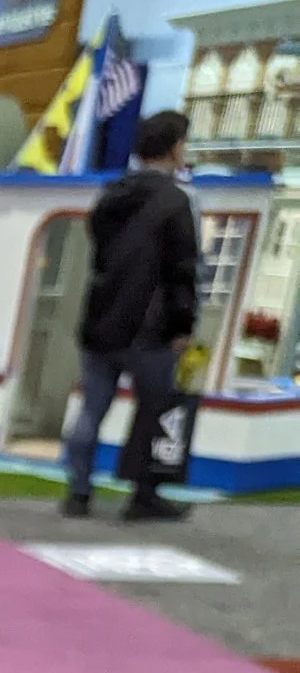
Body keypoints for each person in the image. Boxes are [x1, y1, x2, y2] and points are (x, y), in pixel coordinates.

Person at [62, 111, 200, 522]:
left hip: (102, 316)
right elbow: (182, 269)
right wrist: (183, 324)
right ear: (174, 148)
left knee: (92, 409)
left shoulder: (110, 195)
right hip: (151, 326)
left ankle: (78, 492)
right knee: (154, 411)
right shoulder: (176, 201)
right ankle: (143, 495)